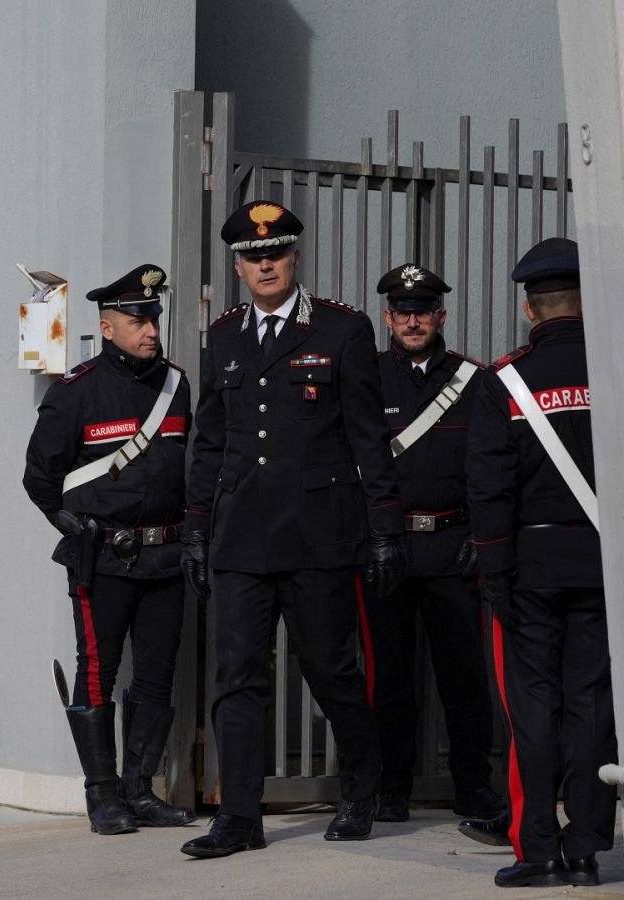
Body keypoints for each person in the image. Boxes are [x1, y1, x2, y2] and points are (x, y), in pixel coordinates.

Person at [180, 201, 406, 859]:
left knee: (331, 672)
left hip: (318, 537)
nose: (265, 262)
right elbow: (211, 442)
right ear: (239, 266)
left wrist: (385, 528)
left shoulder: (341, 330)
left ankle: (362, 788)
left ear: (295, 256)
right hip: (241, 539)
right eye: (253, 256)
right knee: (237, 678)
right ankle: (240, 818)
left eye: (275, 251)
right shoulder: (223, 336)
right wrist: (196, 529)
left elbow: (369, 437)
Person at [23, 263, 197, 836]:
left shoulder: (176, 385)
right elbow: (39, 478)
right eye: (138, 319)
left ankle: (139, 789)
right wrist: (73, 527)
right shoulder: (75, 392)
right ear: (108, 325)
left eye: (155, 318)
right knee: (96, 669)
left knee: (156, 673)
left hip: (165, 557)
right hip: (105, 558)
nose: (151, 329)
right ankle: (102, 795)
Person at [463, 238, 616, 888]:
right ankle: (586, 849)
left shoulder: (506, 381)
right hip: (604, 562)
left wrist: (493, 572)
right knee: (591, 706)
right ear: (588, 300)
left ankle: (537, 850)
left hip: (527, 566)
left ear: (530, 308)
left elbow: (488, 486)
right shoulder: (617, 371)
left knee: (532, 708)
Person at [366, 263, 507, 833]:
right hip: (388, 550)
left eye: (423, 310)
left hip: (453, 547)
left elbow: (493, 466)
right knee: (389, 678)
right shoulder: (367, 379)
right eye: (403, 311)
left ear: (441, 316)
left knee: (465, 678)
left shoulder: (476, 382)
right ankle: (389, 789)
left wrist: (480, 532)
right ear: (388, 318)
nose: (413, 320)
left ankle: (473, 789)